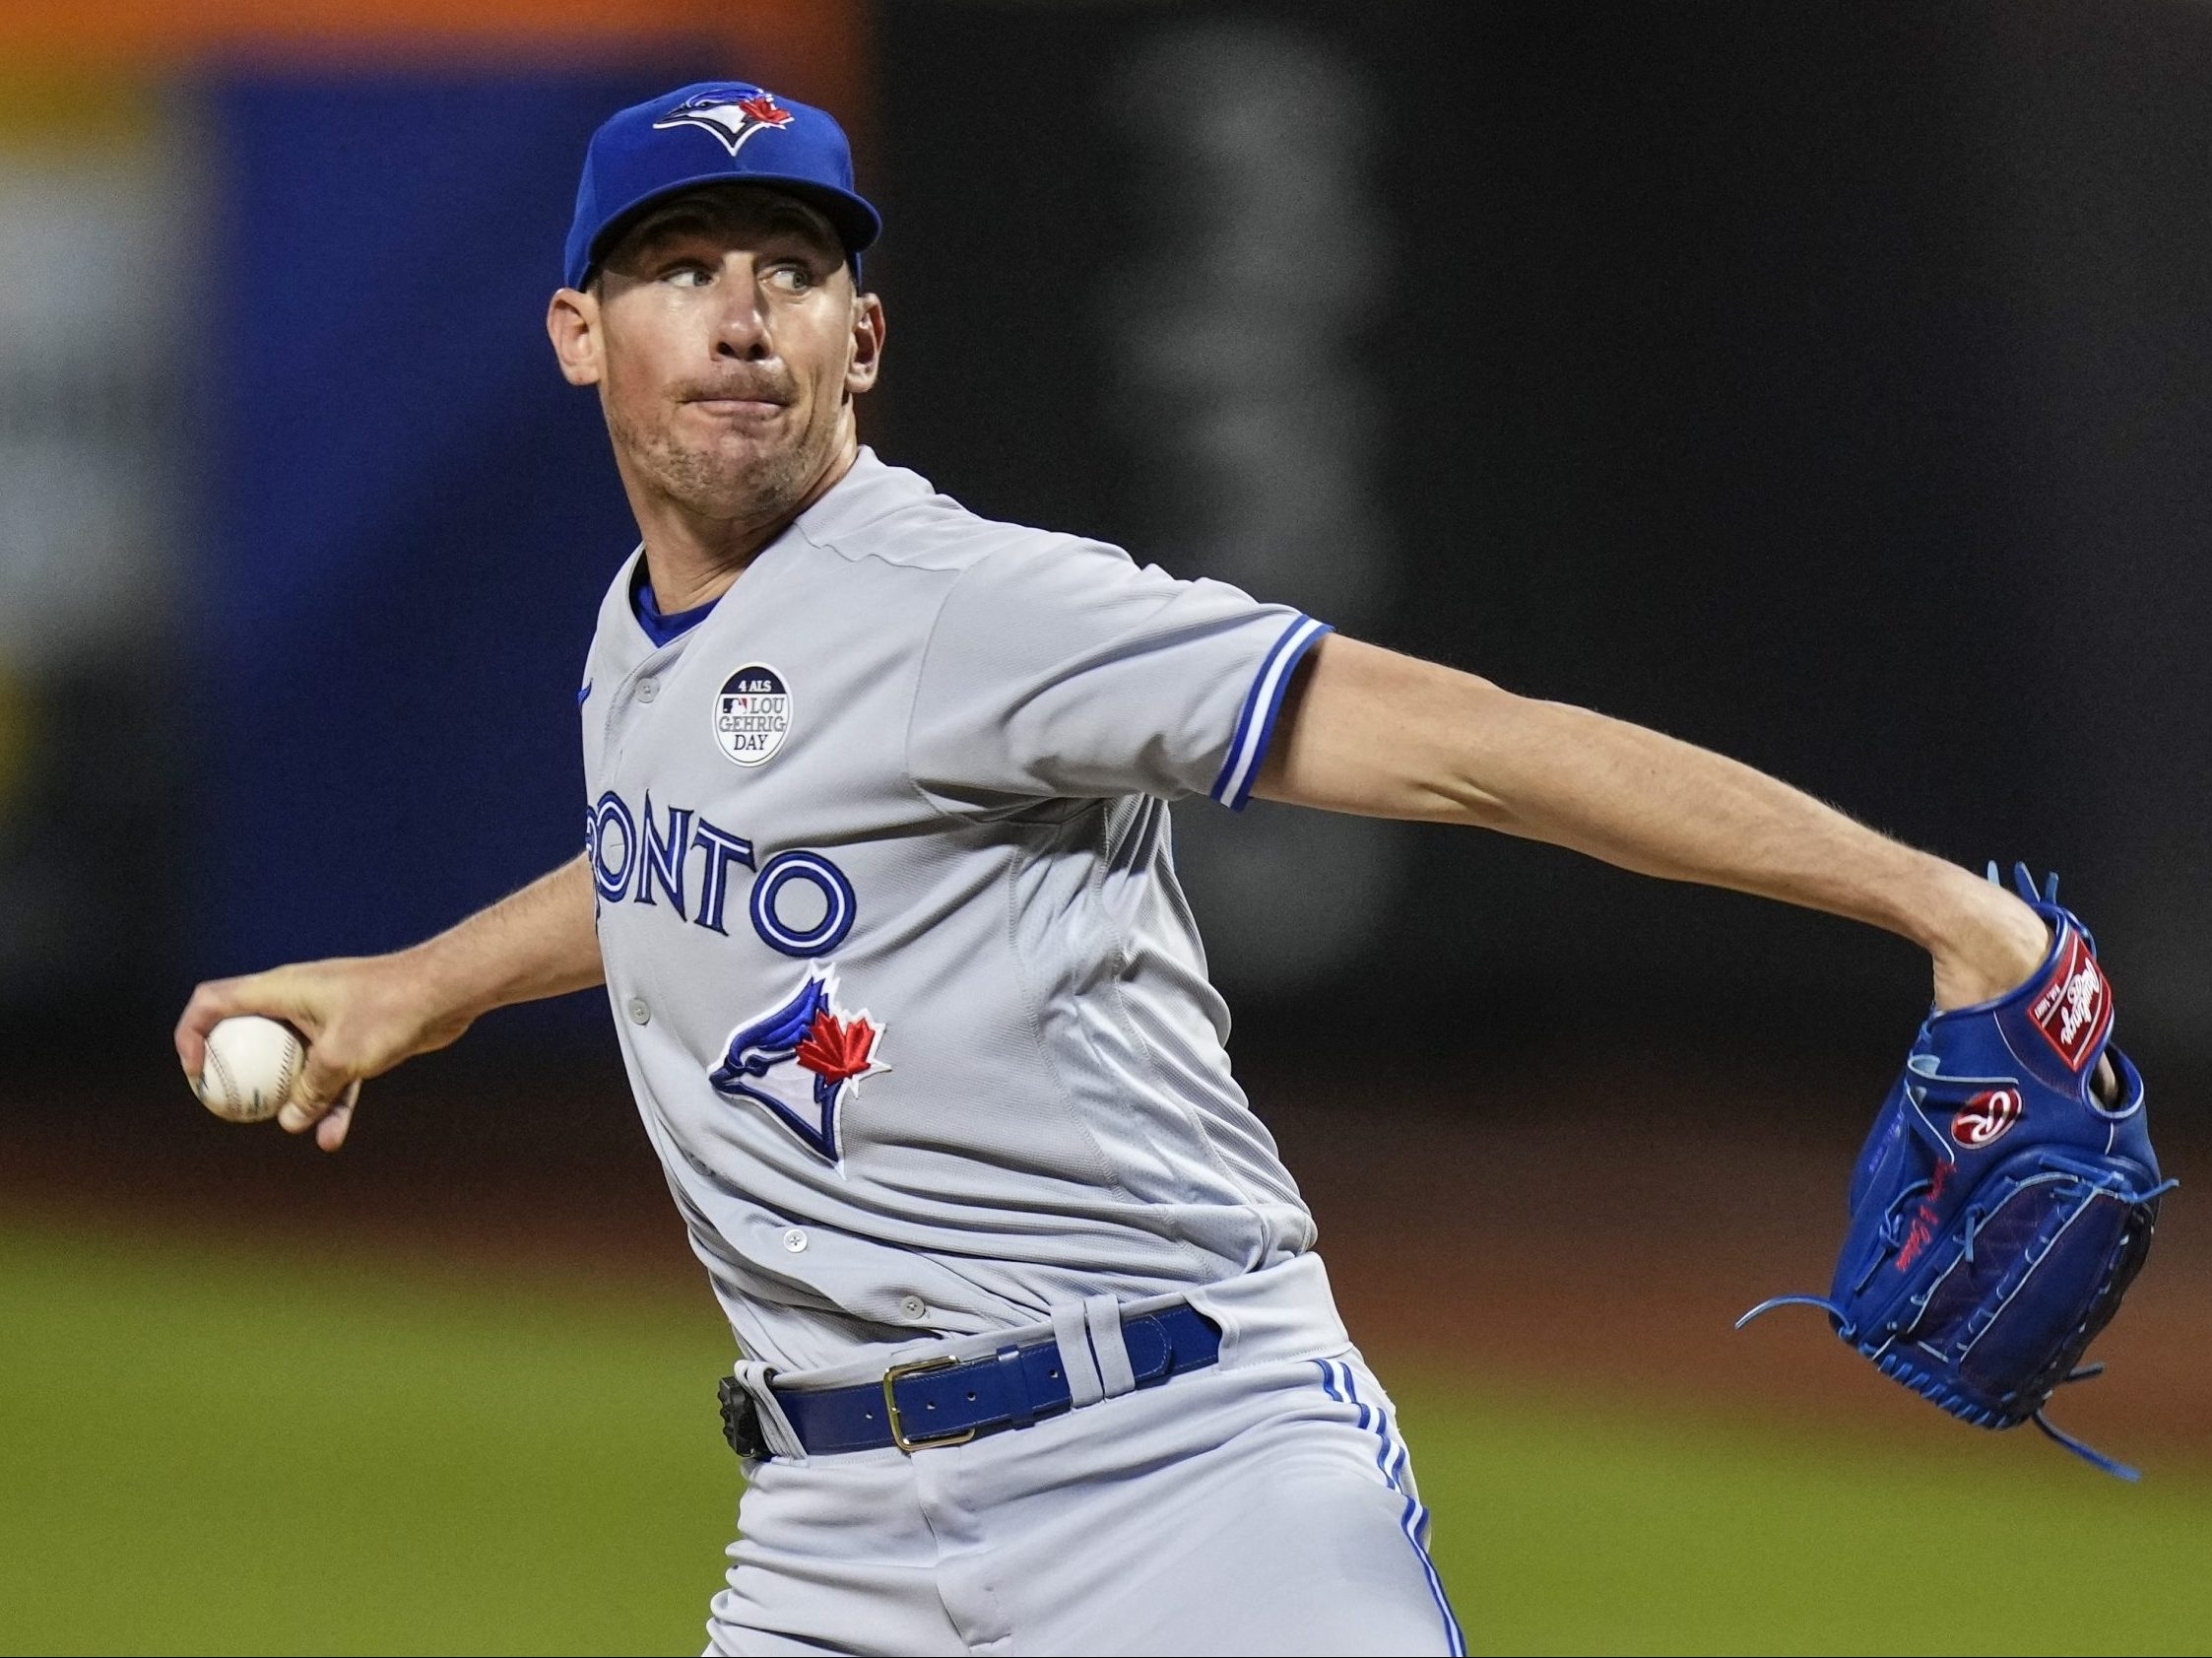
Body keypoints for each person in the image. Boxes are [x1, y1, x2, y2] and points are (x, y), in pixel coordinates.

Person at [175, 82, 2054, 1657]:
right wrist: (416, 988)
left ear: (864, 337)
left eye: (795, 272)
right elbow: (693, 864)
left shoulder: (971, 608)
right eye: (679, 270)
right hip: (826, 1533)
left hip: (1184, 1483)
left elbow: (1475, 749)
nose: (742, 317)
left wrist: (1935, 907)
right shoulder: (643, 628)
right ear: (580, 331)